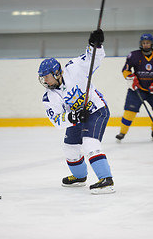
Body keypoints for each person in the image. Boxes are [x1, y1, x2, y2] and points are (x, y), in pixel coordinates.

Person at [37, 29, 115, 194]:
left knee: (89, 143)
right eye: (43, 77)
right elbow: (57, 121)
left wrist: (96, 45)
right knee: (70, 147)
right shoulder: (49, 97)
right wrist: (73, 116)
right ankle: (80, 177)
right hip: (77, 118)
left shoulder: (75, 69)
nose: (45, 80)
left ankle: (106, 179)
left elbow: (94, 58)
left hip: (96, 110)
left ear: (57, 73)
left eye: (47, 76)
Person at [116, 33, 153, 142]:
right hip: (136, 89)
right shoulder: (134, 55)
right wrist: (131, 77)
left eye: (148, 43)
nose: (145, 45)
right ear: (141, 44)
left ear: (152, 44)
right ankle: (122, 132)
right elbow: (126, 69)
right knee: (130, 111)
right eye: (143, 43)